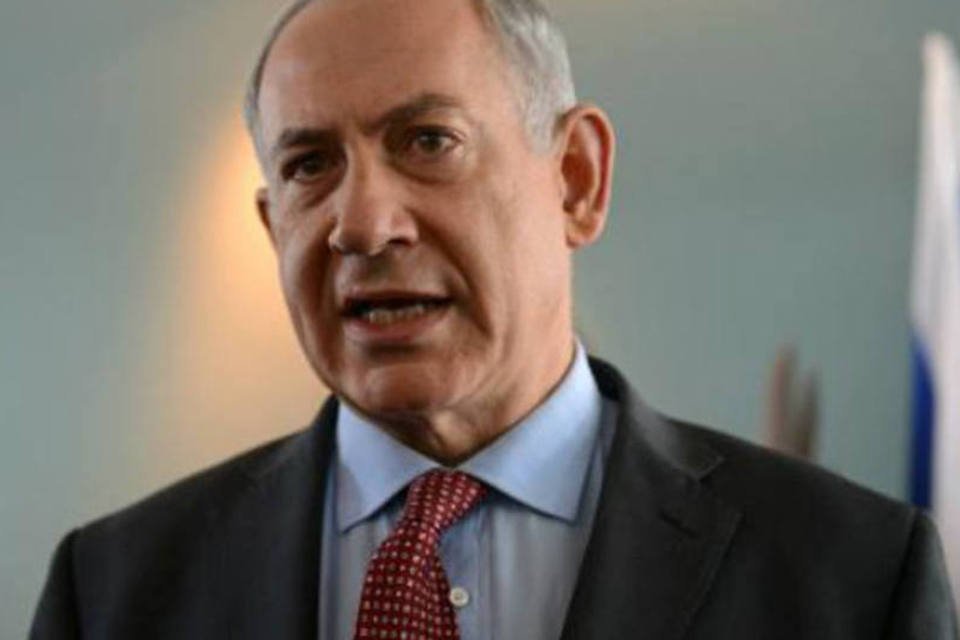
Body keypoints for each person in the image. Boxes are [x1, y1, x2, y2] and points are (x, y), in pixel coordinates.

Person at [29, 0, 959, 637]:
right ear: (275, 227)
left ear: (576, 181)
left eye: (428, 142)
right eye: (310, 166)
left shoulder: (851, 576)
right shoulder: (111, 592)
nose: (363, 224)